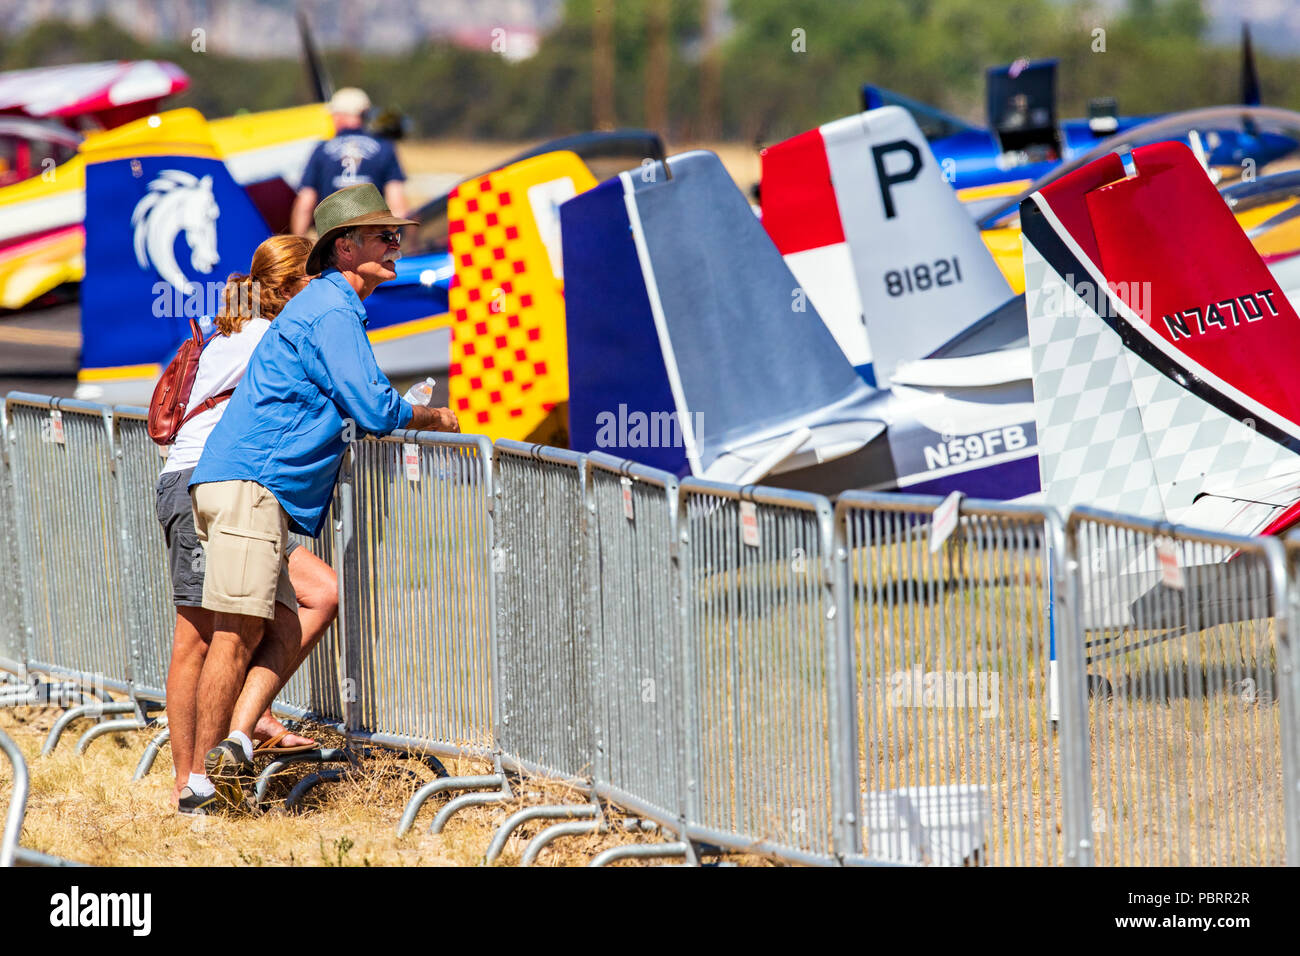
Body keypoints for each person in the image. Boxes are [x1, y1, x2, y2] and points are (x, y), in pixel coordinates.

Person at [188, 184, 459, 811]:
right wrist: (430, 416)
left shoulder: (332, 306)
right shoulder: (333, 310)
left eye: (397, 235)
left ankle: (235, 741)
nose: (398, 246)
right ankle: (200, 788)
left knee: (311, 601)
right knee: (233, 634)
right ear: (345, 247)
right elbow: (373, 407)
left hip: (253, 489)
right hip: (249, 487)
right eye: (384, 236)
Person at [157, 234, 338, 815]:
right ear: (290, 289)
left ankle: (243, 722)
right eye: (316, 279)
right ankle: (191, 782)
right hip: (208, 484)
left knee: (307, 599)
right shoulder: (266, 336)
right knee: (199, 635)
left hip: (229, 486)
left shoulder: (245, 330)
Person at [291, 87, 408, 236]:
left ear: (340, 115)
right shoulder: (384, 148)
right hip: (372, 238)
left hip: (333, 239)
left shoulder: (322, 150)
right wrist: (396, 241)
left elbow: (306, 203)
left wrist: (298, 245)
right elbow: (397, 203)